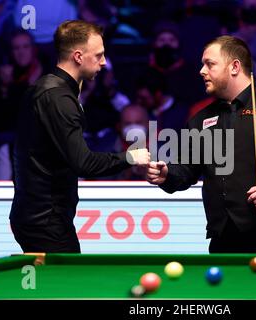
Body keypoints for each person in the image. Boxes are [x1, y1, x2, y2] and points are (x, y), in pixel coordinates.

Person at [147, 36, 256, 254]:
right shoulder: (201, 120)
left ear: (235, 67)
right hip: (225, 240)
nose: (202, 71)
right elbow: (187, 171)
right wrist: (166, 175)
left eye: (210, 64)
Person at [9, 20, 150, 253]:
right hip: (45, 221)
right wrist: (131, 157)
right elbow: (83, 163)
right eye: (98, 55)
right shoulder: (59, 98)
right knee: (67, 288)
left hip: (38, 216)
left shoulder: (43, 88)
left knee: (53, 287)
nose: (104, 62)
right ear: (77, 56)